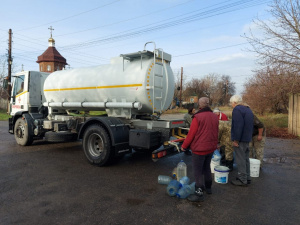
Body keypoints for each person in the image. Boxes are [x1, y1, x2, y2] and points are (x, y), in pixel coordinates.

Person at [181, 97, 219, 202]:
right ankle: (209, 188)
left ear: (200, 105)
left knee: (197, 171)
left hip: (199, 149)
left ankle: (199, 192)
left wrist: (184, 146)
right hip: (210, 148)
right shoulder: (215, 116)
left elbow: (191, 134)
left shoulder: (197, 117)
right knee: (206, 167)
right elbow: (216, 132)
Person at [230, 95, 254, 186]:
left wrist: (236, 139)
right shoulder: (248, 109)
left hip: (240, 139)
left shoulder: (237, 110)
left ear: (234, 102)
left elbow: (238, 126)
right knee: (246, 159)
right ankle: (247, 177)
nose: (231, 105)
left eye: (231, 103)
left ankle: (242, 179)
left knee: (240, 159)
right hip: (247, 138)